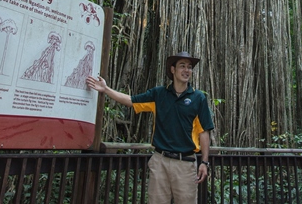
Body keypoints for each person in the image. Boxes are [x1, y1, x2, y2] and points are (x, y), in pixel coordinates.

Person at [86, 51, 214, 204]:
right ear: (172, 69)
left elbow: (204, 131)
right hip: (160, 161)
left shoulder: (198, 98)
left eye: (189, 67)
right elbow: (131, 101)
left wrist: (204, 162)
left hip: (185, 164)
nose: (187, 70)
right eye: (182, 66)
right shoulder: (159, 94)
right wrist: (106, 90)